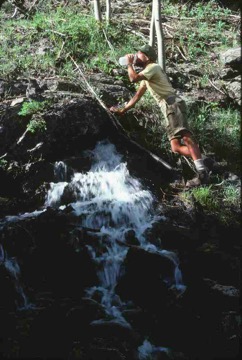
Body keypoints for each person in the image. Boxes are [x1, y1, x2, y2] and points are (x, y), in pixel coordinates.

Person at [109, 44, 209, 187]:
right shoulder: (146, 74)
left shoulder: (153, 67)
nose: (136, 55)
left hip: (172, 104)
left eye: (139, 53)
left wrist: (129, 64)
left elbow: (132, 78)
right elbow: (137, 96)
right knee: (175, 147)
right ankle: (204, 161)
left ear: (147, 57)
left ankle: (202, 174)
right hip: (168, 108)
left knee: (186, 137)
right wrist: (123, 110)